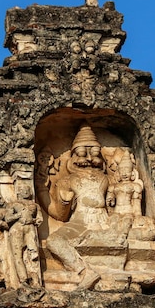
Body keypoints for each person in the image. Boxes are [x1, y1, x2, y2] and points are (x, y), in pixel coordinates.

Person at [45, 124, 108, 290]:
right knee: (53, 241)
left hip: (104, 221)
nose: (88, 159)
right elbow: (59, 214)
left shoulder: (106, 179)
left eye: (94, 155)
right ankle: (84, 271)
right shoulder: (66, 181)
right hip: (79, 222)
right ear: (73, 157)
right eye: (81, 154)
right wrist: (64, 202)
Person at [5, 185, 43, 288]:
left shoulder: (35, 205)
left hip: (30, 228)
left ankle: (35, 279)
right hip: (17, 228)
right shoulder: (13, 204)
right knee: (18, 255)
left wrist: (34, 220)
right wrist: (18, 215)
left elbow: (40, 218)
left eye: (27, 190)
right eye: (23, 190)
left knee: (33, 253)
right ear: (19, 192)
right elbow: (7, 219)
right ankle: (23, 280)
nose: (25, 191)